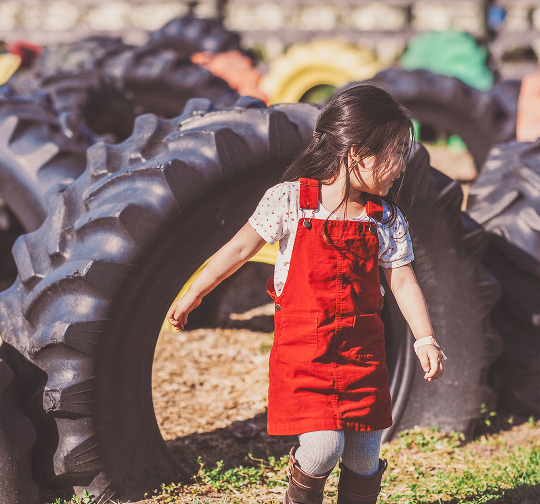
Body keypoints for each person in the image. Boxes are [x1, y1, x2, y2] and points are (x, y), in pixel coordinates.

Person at [167, 83, 445, 504]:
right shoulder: (291, 202)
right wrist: (195, 291)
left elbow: (403, 280)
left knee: (366, 458)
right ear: (357, 154)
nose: (400, 166)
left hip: (362, 353)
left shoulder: (385, 219)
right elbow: (240, 248)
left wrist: (425, 337)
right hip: (306, 353)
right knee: (322, 450)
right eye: (394, 152)